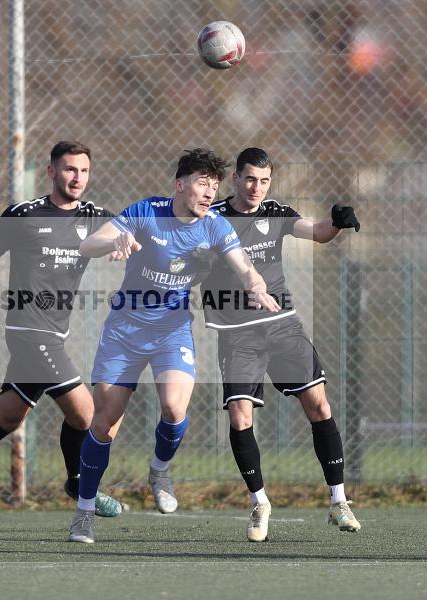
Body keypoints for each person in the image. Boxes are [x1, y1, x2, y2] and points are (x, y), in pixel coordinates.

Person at [68, 148, 280, 544]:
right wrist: (117, 239)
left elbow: (244, 265)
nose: (208, 192)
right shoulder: (147, 212)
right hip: (124, 332)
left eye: (214, 186)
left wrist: (255, 286)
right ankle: (83, 513)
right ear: (179, 185)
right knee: (104, 423)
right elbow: (89, 245)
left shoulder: (215, 225)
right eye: (202, 184)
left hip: (171, 331)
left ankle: (159, 469)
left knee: (174, 408)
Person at [0, 141, 121, 518]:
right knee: (86, 415)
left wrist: (129, 239)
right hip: (27, 331)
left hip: (56, 335)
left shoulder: (95, 217)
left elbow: (135, 229)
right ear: (51, 172)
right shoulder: (25, 214)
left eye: (84, 171)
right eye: (70, 169)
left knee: (7, 415)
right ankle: (78, 482)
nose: (77, 178)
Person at [199, 147, 362, 542]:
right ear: (236, 178)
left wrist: (337, 222)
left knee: (319, 404)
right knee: (240, 417)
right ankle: (259, 503)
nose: (257, 187)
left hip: (282, 326)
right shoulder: (212, 218)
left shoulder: (276, 213)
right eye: (250, 179)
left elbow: (318, 232)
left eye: (264, 180)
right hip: (238, 334)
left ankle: (338, 500)